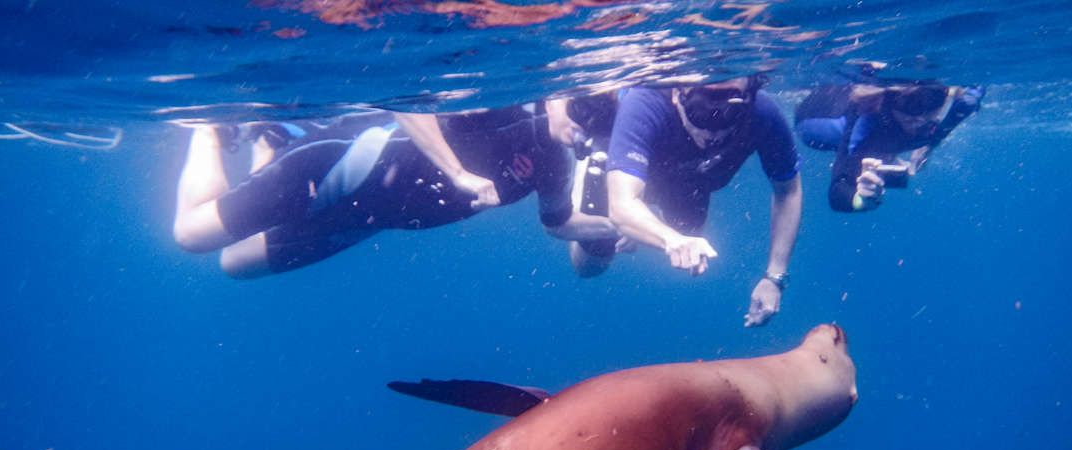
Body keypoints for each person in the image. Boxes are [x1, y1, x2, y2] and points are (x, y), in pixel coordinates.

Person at [173, 105, 619, 278]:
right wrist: (457, 172)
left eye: (596, 122)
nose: (582, 127)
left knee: (236, 264)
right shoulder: (505, 102)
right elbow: (409, 100)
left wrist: (620, 223)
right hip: (339, 167)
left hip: (365, 218)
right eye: (581, 111)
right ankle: (209, 129)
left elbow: (559, 225)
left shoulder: (555, 162)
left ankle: (271, 137)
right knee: (192, 236)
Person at [570, 76, 804, 328]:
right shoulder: (644, 104)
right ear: (675, 94)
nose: (712, 132)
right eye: (700, 112)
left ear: (749, 98)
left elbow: (788, 192)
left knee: (690, 237)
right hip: (630, 170)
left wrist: (774, 277)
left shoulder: (763, 114)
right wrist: (669, 239)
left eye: (730, 114)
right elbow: (622, 203)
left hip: (690, 179)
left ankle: (642, 222)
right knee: (590, 264)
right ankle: (593, 168)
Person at [794, 79, 984, 212]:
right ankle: (883, 153)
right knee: (874, 146)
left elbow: (976, 88)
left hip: (886, 135)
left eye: (934, 99)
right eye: (909, 103)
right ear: (890, 99)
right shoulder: (866, 121)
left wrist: (928, 147)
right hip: (811, 122)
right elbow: (837, 192)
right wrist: (862, 199)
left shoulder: (960, 105)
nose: (919, 116)